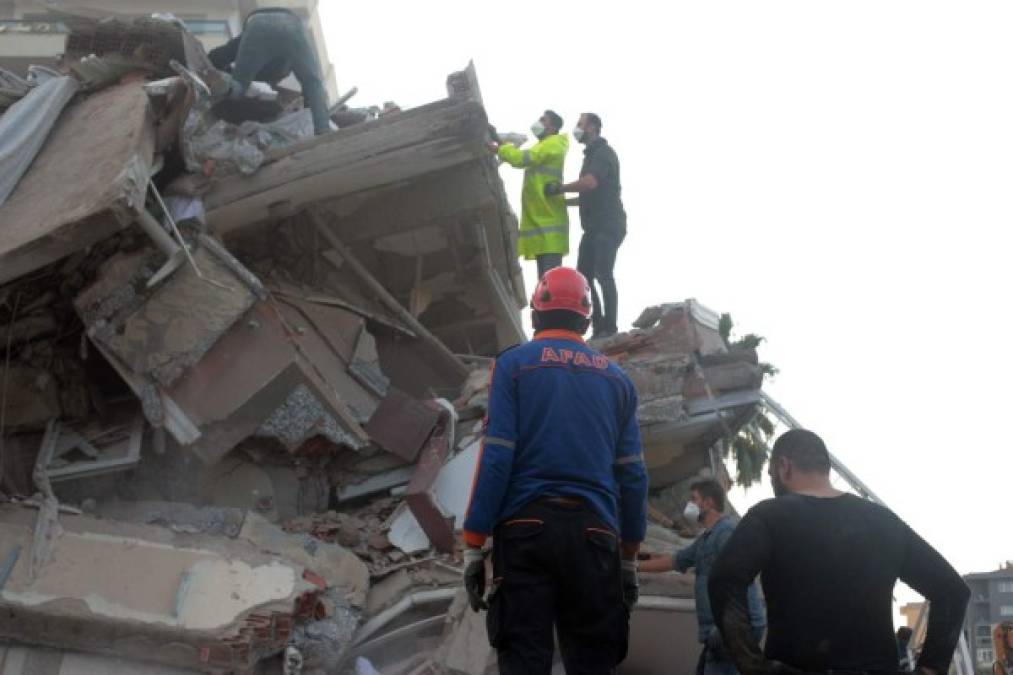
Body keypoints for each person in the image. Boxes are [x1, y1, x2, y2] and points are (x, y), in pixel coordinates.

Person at [461, 266, 648, 675]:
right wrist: (629, 558)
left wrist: (474, 542)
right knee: (594, 662)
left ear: (535, 314)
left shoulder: (514, 365)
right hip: (596, 536)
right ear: (587, 317)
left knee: (524, 659)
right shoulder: (618, 381)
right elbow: (633, 476)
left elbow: (496, 456)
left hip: (526, 530)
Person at [708, 429, 970, 675]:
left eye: (771, 475)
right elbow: (952, 591)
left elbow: (723, 580)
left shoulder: (769, 516)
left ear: (784, 467)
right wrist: (930, 669)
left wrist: (753, 665)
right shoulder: (883, 521)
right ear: (825, 467)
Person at [640, 479, 766, 675]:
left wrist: (726, 626)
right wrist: (634, 567)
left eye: (693, 499)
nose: (688, 505)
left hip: (729, 631)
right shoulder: (705, 540)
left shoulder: (726, 533)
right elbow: (674, 561)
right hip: (721, 633)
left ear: (708, 503)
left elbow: (740, 578)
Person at [546, 113, 626, 339]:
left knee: (604, 274)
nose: (577, 129)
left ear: (592, 127)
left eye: (580, 124)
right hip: (593, 228)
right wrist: (561, 202)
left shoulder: (602, 153)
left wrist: (560, 188)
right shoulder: (590, 156)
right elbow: (586, 195)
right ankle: (599, 326)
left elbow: (589, 183)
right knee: (584, 277)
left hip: (608, 224)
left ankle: (610, 328)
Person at [208, 8, 330, 135]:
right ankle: (322, 129)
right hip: (292, 25)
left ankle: (227, 89)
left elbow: (220, 55)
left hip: (257, 24)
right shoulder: (288, 59)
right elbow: (311, 85)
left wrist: (211, 67)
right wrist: (308, 107)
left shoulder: (245, 42)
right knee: (312, 83)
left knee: (239, 84)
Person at [491, 110, 570, 279]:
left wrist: (499, 148)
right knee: (545, 283)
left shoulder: (554, 144)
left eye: (543, 120)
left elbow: (522, 158)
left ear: (552, 127)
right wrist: (500, 145)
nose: (539, 122)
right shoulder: (545, 145)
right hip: (542, 223)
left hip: (549, 227)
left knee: (549, 283)